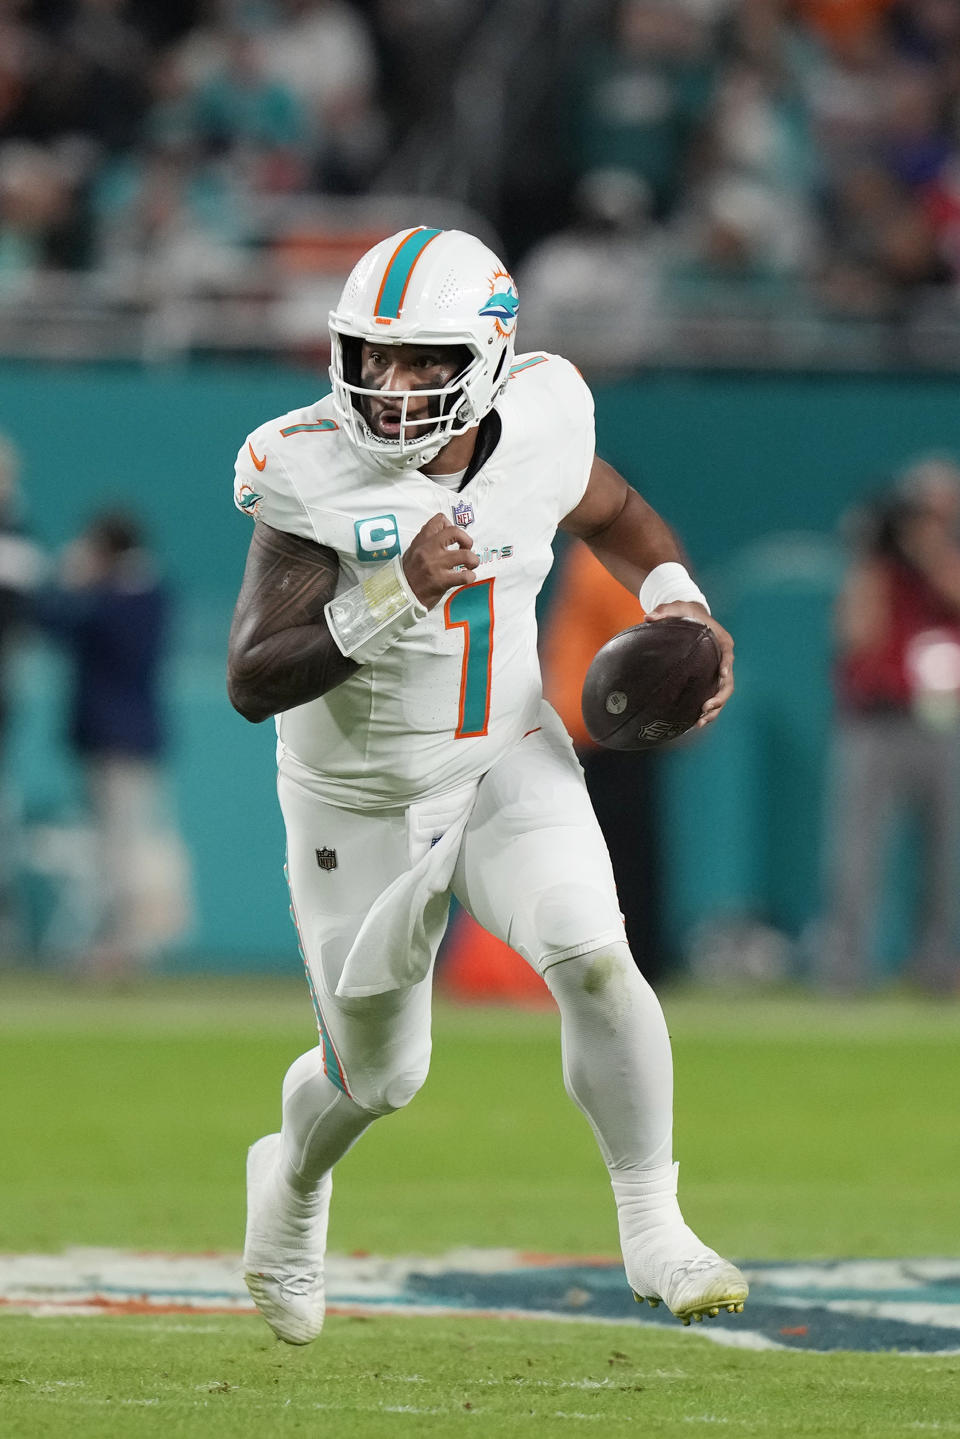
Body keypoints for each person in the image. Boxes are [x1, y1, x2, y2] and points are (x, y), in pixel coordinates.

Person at [227, 225, 747, 1346]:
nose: (390, 386)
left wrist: (680, 602)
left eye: (423, 362)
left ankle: (654, 1220)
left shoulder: (545, 417)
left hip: (506, 750)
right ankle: (294, 1180)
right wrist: (390, 593)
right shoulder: (305, 461)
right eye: (373, 356)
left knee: (595, 957)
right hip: (355, 800)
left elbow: (608, 507)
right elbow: (250, 677)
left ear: (491, 361)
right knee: (379, 1074)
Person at [820, 457, 960, 993]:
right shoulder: (877, 567)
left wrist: (928, 549)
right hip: (874, 721)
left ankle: (937, 966)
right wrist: (874, 553)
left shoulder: (943, 558)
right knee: (857, 853)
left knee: (944, 855)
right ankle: (847, 967)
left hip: (940, 722)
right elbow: (856, 634)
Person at [37, 509, 190, 979]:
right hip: (118, 740)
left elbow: (60, 623)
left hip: (121, 741)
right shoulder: (134, 594)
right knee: (115, 847)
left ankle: (124, 949)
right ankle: (120, 944)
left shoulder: (130, 596)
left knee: (122, 849)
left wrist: (70, 582)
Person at [540, 540, 667, 984]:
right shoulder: (624, 555)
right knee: (623, 853)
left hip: (610, 730)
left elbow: (638, 645)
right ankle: (631, 958)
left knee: (614, 856)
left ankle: (630, 960)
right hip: (609, 728)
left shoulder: (604, 557)